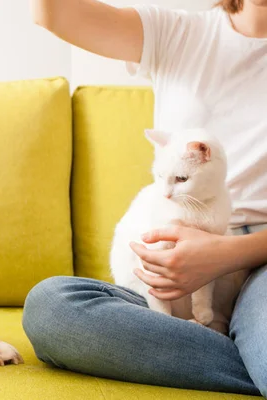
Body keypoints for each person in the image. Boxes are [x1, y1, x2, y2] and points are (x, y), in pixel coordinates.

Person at [22, 0, 267, 396]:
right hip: (166, 272)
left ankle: (237, 350)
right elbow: (50, 13)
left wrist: (225, 253)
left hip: (261, 264)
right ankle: (247, 356)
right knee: (51, 306)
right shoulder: (176, 33)